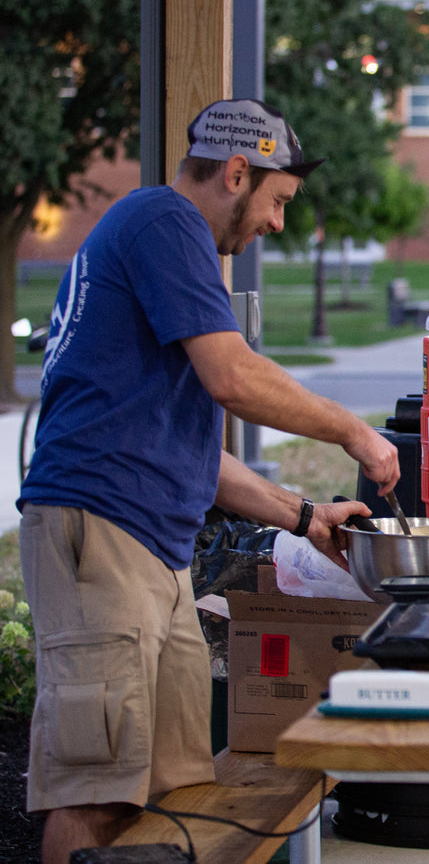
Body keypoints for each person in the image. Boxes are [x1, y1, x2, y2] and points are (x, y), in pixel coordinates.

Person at [17, 98, 401, 863]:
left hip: (148, 546)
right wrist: (353, 429)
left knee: (173, 785)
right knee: (95, 787)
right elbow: (232, 376)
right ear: (235, 173)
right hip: (99, 531)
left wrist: (304, 516)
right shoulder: (166, 224)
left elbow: (190, 448)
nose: (278, 224)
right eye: (278, 201)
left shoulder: (161, 237)